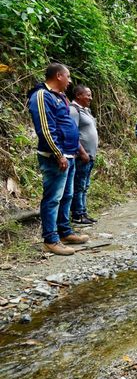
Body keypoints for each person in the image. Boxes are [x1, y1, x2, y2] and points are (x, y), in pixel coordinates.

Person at [27, 63, 89, 256]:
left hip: (68, 155)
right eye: (68, 77)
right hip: (55, 157)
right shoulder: (41, 96)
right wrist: (58, 153)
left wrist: (74, 150)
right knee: (53, 198)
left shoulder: (59, 96)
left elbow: (65, 123)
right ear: (59, 76)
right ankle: (50, 239)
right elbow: (45, 128)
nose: (70, 81)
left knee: (67, 196)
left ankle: (64, 231)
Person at [69, 85, 99, 225]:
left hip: (89, 155)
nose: (90, 98)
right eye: (88, 95)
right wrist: (82, 152)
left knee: (85, 186)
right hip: (82, 156)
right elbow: (72, 133)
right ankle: (77, 215)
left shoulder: (85, 110)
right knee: (79, 185)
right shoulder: (73, 110)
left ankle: (83, 212)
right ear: (78, 95)